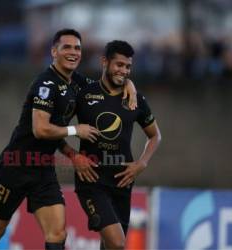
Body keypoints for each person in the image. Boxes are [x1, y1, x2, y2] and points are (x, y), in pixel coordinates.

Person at [0, 29, 137, 250]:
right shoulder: (45, 84)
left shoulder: (77, 83)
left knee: (57, 234)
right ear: (54, 52)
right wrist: (76, 130)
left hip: (43, 169)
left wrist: (128, 84)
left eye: (77, 48)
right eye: (67, 47)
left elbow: (106, 88)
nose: (73, 52)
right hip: (15, 165)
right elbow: (41, 130)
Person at [60, 40, 161, 249]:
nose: (123, 71)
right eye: (119, 65)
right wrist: (73, 156)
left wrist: (142, 163)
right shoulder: (84, 94)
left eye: (128, 67)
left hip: (122, 182)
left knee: (110, 246)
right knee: (117, 243)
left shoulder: (135, 100)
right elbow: (55, 131)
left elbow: (155, 136)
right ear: (104, 62)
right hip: (92, 182)